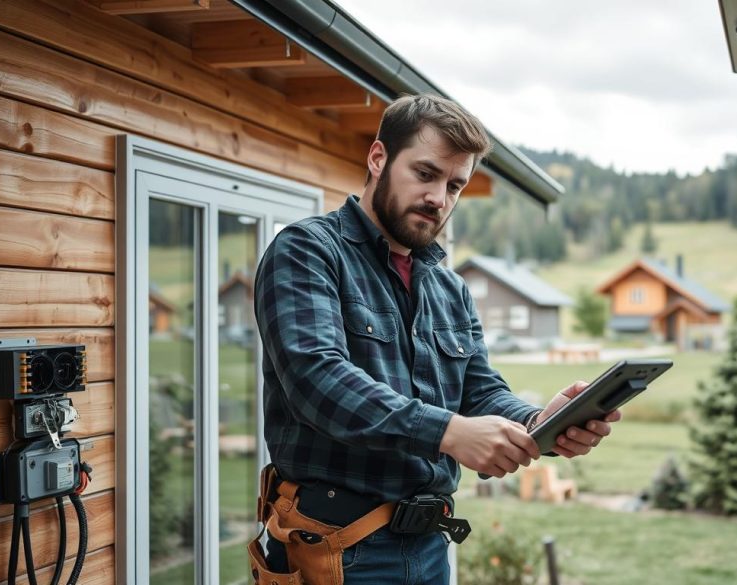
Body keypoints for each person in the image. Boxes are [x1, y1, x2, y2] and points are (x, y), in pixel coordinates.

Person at [252, 94, 620, 585]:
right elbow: (317, 381)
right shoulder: (307, 251)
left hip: (429, 547)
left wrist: (539, 422)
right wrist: (449, 432)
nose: (439, 198)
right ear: (378, 158)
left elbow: (480, 390)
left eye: (454, 185)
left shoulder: (449, 287)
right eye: (425, 174)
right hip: (335, 545)